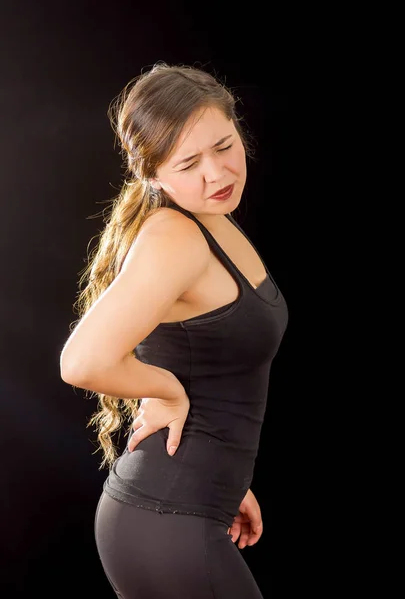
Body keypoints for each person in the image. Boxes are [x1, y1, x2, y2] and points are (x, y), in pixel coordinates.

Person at [60, 61, 288, 599]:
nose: (217, 173)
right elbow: (81, 362)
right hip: (166, 518)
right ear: (153, 175)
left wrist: (227, 483)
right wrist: (166, 391)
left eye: (225, 146)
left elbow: (212, 367)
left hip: (192, 504)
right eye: (188, 163)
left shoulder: (213, 219)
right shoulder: (174, 236)